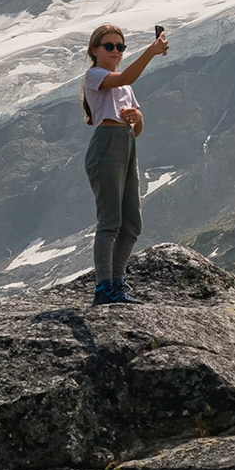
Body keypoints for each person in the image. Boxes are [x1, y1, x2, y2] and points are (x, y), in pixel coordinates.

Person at [81, 22, 168, 306]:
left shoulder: (124, 85)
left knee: (132, 222)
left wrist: (138, 119)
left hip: (125, 144)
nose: (116, 51)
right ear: (95, 50)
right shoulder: (95, 75)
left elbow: (136, 129)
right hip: (106, 144)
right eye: (110, 46)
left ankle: (117, 283)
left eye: (120, 47)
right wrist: (151, 52)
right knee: (110, 222)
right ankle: (104, 287)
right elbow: (127, 75)